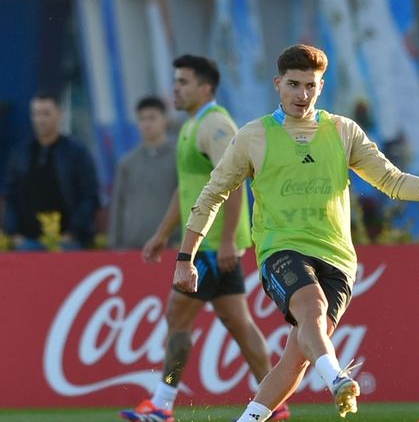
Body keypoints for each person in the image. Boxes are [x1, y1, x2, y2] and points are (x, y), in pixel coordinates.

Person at [171, 44, 419, 422]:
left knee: (298, 356)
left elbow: (392, 181)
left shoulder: (342, 131)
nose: (301, 94)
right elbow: (212, 194)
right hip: (281, 249)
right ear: (278, 84)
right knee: (313, 309)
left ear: (321, 87)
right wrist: (185, 256)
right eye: (293, 84)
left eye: (310, 85)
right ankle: (338, 378)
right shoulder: (253, 136)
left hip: (338, 258)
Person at [120, 55, 287, 422]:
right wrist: (163, 233)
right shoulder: (190, 125)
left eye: (182, 81)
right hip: (209, 243)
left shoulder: (215, 125)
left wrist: (227, 240)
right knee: (239, 324)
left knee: (177, 319)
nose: (175, 88)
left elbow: (235, 179)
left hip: (210, 247)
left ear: (205, 88)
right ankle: (275, 404)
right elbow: (189, 187)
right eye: (175, 80)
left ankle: (162, 405)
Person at [1, 91, 99, 250]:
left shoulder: (76, 153)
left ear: (60, 114)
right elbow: (10, 195)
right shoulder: (20, 153)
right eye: (36, 114)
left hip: (67, 242)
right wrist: (13, 233)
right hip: (26, 242)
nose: (41, 119)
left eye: (46, 113)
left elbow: (90, 195)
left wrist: (74, 232)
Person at [108, 96, 177, 249]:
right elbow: (118, 205)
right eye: (142, 119)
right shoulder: (127, 162)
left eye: (152, 118)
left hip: (171, 246)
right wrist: (115, 244)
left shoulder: (179, 158)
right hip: (133, 248)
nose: (146, 124)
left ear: (164, 119)